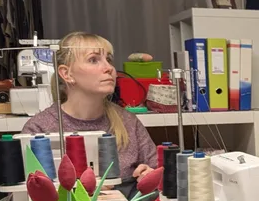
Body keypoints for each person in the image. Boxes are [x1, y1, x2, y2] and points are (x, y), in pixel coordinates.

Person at [22, 32, 157, 181]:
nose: (109, 68)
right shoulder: (39, 129)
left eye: (109, 60)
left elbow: (158, 175)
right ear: (66, 74)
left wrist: (149, 175)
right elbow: (20, 196)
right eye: (93, 60)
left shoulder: (128, 122)